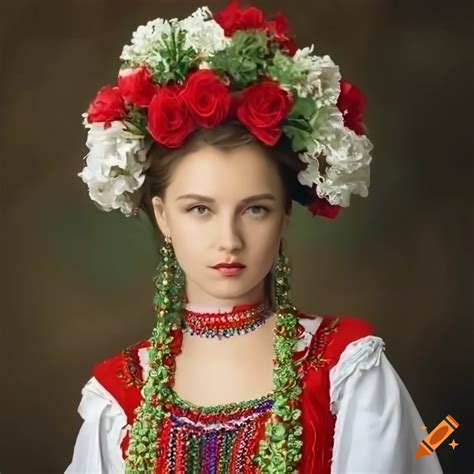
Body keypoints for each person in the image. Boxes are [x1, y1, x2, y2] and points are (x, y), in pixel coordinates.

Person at [66, 2, 444, 473]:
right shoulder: (119, 397)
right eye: (200, 209)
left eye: (255, 209)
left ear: (285, 214)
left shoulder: (347, 369)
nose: (230, 239)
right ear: (163, 216)